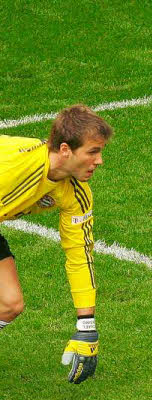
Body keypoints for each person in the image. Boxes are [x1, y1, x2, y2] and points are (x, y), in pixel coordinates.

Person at [0, 105, 112, 383]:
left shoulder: (75, 194)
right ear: (65, 150)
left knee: (9, 303)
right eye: (93, 151)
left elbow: (80, 254)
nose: (99, 161)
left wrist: (86, 327)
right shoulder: (12, 167)